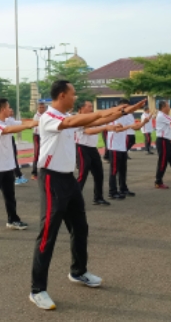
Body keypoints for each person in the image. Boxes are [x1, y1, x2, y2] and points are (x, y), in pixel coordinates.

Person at [29, 80, 143, 310]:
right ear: (62, 95)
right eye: (72, 94)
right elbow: (74, 121)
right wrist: (115, 109)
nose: (75, 97)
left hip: (68, 179)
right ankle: (37, 289)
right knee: (48, 233)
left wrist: (122, 112)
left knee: (80, 228)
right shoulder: (50, 117)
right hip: (51, 179)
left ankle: (78, 271)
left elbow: (99, 121)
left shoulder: (68, 117)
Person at [0, 98, 39, 240]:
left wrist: (41, 121)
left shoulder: (7, 120)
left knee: (10, 195)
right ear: (2, 109)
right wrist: (28, 125)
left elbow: (22, 123)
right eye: (8, 107)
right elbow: (8, 130)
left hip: (7, 166)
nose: (10, 109)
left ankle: (13, 220)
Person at [75, 101, 124, 206]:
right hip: (82, 148)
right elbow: (88, 131)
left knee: (99, 174)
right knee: (82, 175)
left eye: (92, 106)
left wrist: (114, 124)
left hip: (92, 149)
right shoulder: (78, 119)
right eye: (89, 106)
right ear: (81, 109)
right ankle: (74, 201)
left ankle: (98, 197)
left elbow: (102, 121)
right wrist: (105, 128)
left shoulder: (92, 118)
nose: (91, 108)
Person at [107, 100, 149, 199]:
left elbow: (136, 128)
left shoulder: (129, 115)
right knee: (114, 170)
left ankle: (123, 188)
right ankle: (112, 192)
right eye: (127, 107)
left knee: (123, 169)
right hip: (114, 146)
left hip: (122, 146)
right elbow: (116, 129)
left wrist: (144, 122)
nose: (130, 109)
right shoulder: (114, 114)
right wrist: (129, 126)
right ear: (122, 107)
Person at [8, 109, 29, 184]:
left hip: (11, 139)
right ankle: (18, 176)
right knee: (13, 158)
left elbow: (20, 123)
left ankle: (17, 176)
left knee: (13, 157)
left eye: (12, 111)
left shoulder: (11, 119)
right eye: (10, 111)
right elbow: (19, 125)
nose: (12, 112)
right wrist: (27, 125)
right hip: (8, 140)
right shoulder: (7, 120)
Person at [31, 102, 47, 180]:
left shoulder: (46, 115)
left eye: (43, 107)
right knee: (37, 153)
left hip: (44, 136)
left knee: (44, 153)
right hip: (37, 135)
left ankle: (43, 171)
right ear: (37, 108)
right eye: (40, 107)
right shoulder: (36, 116)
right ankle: (34, 173)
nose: (41, 109)